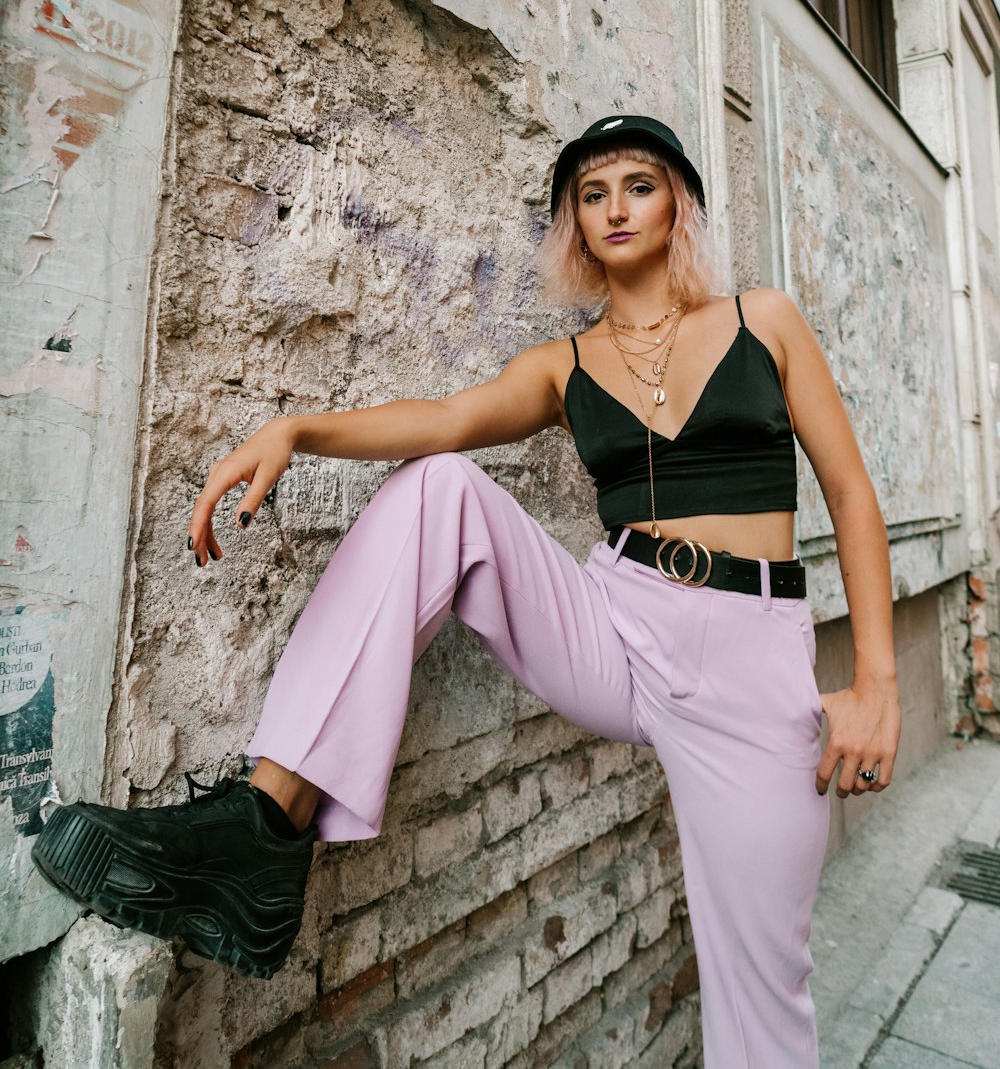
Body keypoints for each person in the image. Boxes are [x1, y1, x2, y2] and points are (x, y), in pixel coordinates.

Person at [32, 114, 901, 1068]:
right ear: (573, 223)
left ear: (678, 203)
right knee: (438, 484)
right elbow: (445, 419)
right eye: (592, 193)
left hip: (752, 659)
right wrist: (298, 429)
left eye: (638, 185)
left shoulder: (760, 321)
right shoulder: (564, 365)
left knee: (765, 985)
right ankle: (261, 829)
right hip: (619, 626)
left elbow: (853, 495)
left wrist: (874, 687)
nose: (615, 207)